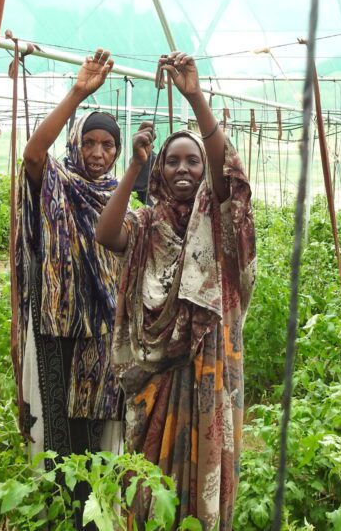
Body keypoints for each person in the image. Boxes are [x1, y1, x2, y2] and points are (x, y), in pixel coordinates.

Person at [96, 51, 256, 531]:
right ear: (160, 172)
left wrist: (195, 97)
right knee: (149, 488)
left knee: (204, 475)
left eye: (192, 160)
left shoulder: (219, 222)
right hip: (156, 373)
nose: (182, 168)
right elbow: (107, 234)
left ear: (203, 169)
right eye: (171, 161)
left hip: (210, 368)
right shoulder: (148, 222)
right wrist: (134, 167)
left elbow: (229, 175)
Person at [11, 48, 125, 521]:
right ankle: (56, 511)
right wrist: (78, 93)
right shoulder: (56, 180)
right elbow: (32, 154)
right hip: (56, 327)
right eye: (90, 142)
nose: (98, 153)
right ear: (76, 142)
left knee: (96, 427)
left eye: (108, 145)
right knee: (57, 430)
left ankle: (91, 515)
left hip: (103, 331)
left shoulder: (120, 195)